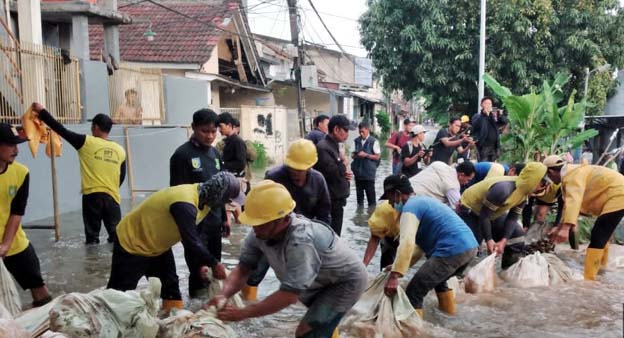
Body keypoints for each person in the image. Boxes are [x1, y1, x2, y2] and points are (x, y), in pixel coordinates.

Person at [207, 181, 367, 338]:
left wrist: (243, 313)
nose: (255, 229)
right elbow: (243, 269)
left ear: (282, 220)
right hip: (316, 280)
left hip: (343, 283)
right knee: (319, 325)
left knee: (307, 333)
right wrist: (224, 294)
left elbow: (289, 296)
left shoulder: (300, 241)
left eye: (261, 224)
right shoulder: (259, 233)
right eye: (254, 223)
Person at [107, 172, 244, 311]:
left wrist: (202, 265)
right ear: (218, 196)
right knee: (118, 296)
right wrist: (214, 264)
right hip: (132, 243)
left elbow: (197, 238)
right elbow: (191, 242)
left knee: (171, 290)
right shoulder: (185, 204)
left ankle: (170, 326)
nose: (228, 205)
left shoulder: (205, 200)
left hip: (158, 247)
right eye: (227, 201)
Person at [242, 139, 332, 301]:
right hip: (271, 233)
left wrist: (322, 243)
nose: (296, 173)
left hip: (302, 238)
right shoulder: (274, 176)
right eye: (293, 168)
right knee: (255, 272)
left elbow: (324, 214)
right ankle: (247, 309)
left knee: (308, 281)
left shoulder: (318, 180)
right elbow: (260, 205)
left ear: (310, 166)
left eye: (301, 169)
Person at [380, 175, 478, 317]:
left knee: (414, 292)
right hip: (469, 249)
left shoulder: (410, 207)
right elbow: (418, 249)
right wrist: (397, 267)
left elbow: (406, 243)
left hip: (452, 250)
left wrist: (394, 277)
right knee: (439, 282)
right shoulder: (423, 202)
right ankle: (449, 317)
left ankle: (414, 332)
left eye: (390, 198)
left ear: (398, 194)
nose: (389, 203)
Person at [33, 102, 126, 245]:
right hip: (113, 198)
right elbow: (121, 177)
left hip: (92, 197)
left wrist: (42, 112)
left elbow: (60, 129)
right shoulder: (120, 150)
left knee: (92, 240)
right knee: (117, 239)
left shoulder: (86, 142)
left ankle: (92, 267)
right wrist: (110, 188)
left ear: (95, 127)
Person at [170, 108, 232, 298]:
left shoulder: (215, 154)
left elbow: (220, 187)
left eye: (213, 131)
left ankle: (212, 312)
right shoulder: (181, 155)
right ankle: (194, 311)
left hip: (214, 223)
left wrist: (224, 218)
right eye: (205, 131)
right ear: (194, 128)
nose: (210, 136)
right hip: (194, 226)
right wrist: (185, 231)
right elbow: (177, 196)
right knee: (199, 271)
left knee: (215, 271)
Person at [545, 156, 624, 280]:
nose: (549, 180)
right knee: (602, 235)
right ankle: (601, 269)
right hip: (617, 193)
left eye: (548, 177)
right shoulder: (572, 172)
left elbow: (574, 200)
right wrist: (560, 226)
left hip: (618, 194)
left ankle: (589, 279)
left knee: (598, 235)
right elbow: (569, 205)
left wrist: (565, 229)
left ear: (551, 172)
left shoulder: (572, 175)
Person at [459, 162, 549, 268]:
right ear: (533, 180)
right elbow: (484, 215)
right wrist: (489, 240)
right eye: (542, 183)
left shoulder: (524, 194)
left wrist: (503, 241)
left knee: (517, 237)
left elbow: (512, 218)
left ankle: (506, 271)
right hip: (471, 211)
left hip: (491, 214)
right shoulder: (504, 188)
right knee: (470, 247)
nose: (543, 187)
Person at [0, 123, 52, 307]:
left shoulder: (21, 173)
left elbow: (16, 213)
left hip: (15, 243)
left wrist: (5, 245)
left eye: (17, 145)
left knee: (41, 292)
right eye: (11, 145)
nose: (16, 150)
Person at [315, 115, 353, 235]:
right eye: (346, 130)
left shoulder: (334, 146)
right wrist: (344, 163)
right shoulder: (323, 147)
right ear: (336, 129)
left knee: (335, 236)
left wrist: (345, 174)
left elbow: (337, 171)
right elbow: (331, 172)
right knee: (331, 237)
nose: (347, 134)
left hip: (337, 200)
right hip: (329, 201)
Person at [408, 161, 476, 210]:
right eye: (468, 180)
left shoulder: (439, 164)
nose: (467, 183)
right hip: (412, 202)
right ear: (461, 175)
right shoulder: (453, 186)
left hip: (405, 186)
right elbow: (457, 209)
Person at [362, 200, 400, 270]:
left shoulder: (416, 210)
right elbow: (374, 239)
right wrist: (363, 266)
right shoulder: (384, 209)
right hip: (391, 236)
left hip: (413, 235)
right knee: (386, 270)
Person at [351, 121, 380, 207]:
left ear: (368, 130)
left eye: (363, 131)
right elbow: (352, 155)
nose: (361, 133)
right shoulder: (356, 141)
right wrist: (356, 155)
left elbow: (377, 157)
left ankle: (371, 215)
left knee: (371, 200)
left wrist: (366, 155)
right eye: (360, 131)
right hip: (358, 174)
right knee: (359, 201)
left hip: (369, 174)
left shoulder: (374, 141)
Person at [217, 112, 247, 178]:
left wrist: (223, 164)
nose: (219, 130)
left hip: (236, 179)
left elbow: (241, 163)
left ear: (229, 125)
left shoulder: (237, 141)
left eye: (220, 126)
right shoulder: (228, 140)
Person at [472, 97, 501, 161]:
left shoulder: (494, 116)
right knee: (484, 165)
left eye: (490, 103)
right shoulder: (477, 116)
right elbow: (475, 125)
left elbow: (503, 122)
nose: (488, 105)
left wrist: (500, 115)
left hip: (494, 146)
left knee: (492, 167)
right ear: (481, 105)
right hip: (483, 146)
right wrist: (484, 114)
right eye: (486, 103)